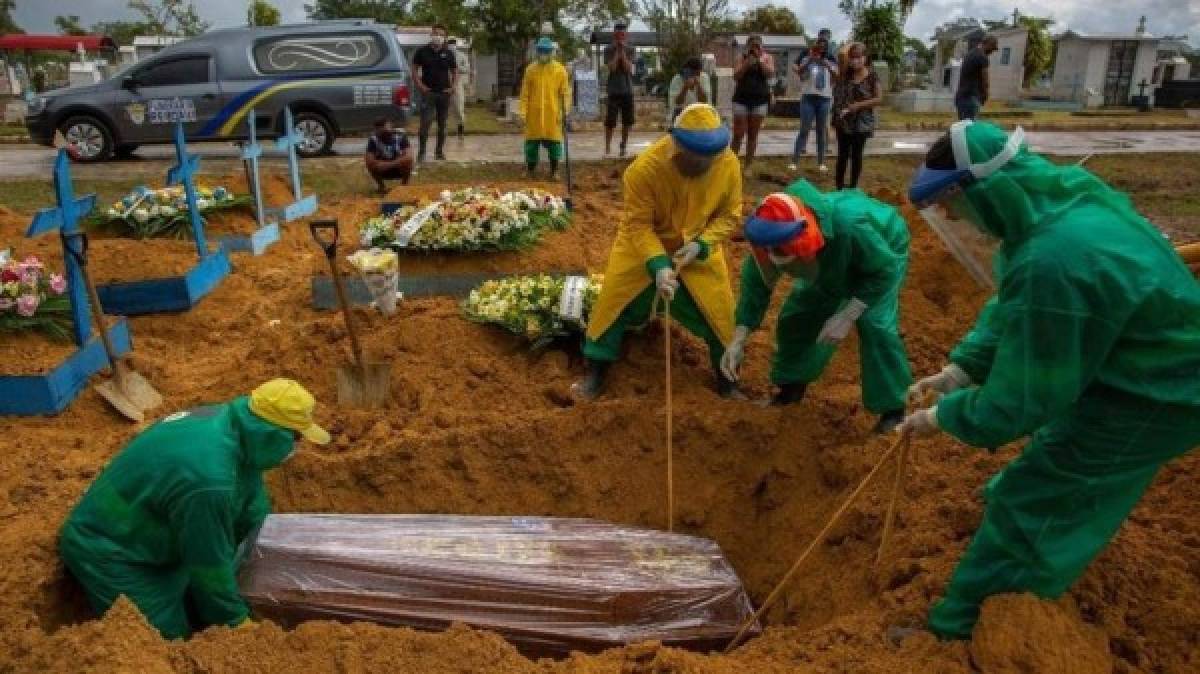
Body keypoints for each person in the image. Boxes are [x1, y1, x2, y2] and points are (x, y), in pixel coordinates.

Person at [897, 120, 1200, 640]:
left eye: (949, 198)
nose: (945, 213)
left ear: (987, 189)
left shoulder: (1055, 260)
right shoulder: (1056, 209)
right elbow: (1016, 307)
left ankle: (967, 631)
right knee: (1052, 459)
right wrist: (962, 369)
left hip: (1160, 392)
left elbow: (1020, 402)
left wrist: (945, 415)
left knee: (1045, 497)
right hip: (1130, 363)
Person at [58, 379, 332, 639]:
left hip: (155, 530)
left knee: (203, 585)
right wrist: (236, 623)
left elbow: (250, 493)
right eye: (295, 438)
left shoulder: (230, 425)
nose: (297, 447)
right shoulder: (209, 481)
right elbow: (207, 563)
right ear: (271, 435)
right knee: (167, 639)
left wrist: (267, 543)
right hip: (113, 549)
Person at [575, 103, 743, 400]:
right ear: (676, 144)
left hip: (697, 251)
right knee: (613, 302)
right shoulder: (644, 170)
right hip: (643, 249)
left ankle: (728, 384)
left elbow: (730, 215)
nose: (703, 163)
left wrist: (702, 244)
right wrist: (658, 264)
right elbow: (638, 225)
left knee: (721, 315)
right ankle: (596, 371)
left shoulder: (728, 164)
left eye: (709, 156)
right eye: (695, 157)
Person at [722, 181, 912, 432]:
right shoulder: (768, 239)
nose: (789, 272)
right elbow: (755, 289)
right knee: (798, 317)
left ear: (807, 246)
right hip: (828, 267)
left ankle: (893, 410)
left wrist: (848, 314)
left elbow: (883, 272)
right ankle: (791, 388)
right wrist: (739, 339)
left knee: (875, 324)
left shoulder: (850, 226)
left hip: (880, 252)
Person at [832, 42, 882, 190]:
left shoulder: (872, 76)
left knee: (857, 155)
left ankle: (853, 186)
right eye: (853, 57)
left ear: (865, 58)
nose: (855, 60)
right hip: (844, 120)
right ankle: (839, 187)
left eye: (859, 57)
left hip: (861, 122)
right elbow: (841, 54)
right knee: (842, 155)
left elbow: (879, 99)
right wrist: (854, 44)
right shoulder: (846, 72)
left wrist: (859, 105)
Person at [519, 37, 571, 179]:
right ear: (537, 52)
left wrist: (564, 111)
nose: (543, 54)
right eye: (541, 51)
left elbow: (565, 93)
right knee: (531, 144)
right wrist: (523, 112)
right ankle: (530, 170)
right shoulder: (530, 70)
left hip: (552, 114)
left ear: (552, 52)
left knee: (555, 144)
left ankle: (554, 171)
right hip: (534, 115)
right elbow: (525, 93)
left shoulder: (560, 70)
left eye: (546, 51)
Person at [790, 36, 838, 173]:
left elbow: (837, 76)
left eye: (823, 49)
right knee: (804, 129)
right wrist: (810, 59)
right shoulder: (806, 59)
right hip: (808, 97)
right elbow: (800, 73)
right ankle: (795, 161)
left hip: (824, 99)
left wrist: (827, 65)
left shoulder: (831, 62)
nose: (820, 51)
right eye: (818, 48)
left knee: (821, 130)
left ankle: (821, 162)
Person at [412, 24, 458, 162]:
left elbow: (455, 71)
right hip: (429, 93)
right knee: (425, 124)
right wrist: (420, 85)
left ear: (444, 38)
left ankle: (439, 153)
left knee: (442, 125)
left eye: (441, 35)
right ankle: (421, 153)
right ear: (431, 35)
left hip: (444, 94)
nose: (438, 37)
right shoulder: (422, 51)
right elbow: (414, 69)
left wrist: (453, 87)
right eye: (435, 33)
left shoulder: (448, 53)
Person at [731, 35, 775, 173]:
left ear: (761, 46)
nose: (754, 47)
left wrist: (760, 60)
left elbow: (770, 74)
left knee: (752, 135)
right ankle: (732, 164)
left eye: (757, 45)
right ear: (748, 46)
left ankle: (748, 166)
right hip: (741, 99)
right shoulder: (741, 57)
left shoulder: (768, 58)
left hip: (760, 100)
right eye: (752, 45)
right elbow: (736, 76)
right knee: (738, 134)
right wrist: (747, 63)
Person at [604, 22, 637, 157]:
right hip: (613, 90)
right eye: (618, 34)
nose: (620, 37)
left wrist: (623, 52)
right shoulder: (608, 49)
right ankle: (607, 148)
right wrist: (617, 52)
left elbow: (628, 68)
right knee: (610, 122)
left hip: (627, 90)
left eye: (622, 34)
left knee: (627, 121)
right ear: (614, 34)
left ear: (626, 35)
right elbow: (611, 67)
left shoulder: (631, 49)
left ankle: (623, 146)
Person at [364, 117, 412, 193]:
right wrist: (379, 164)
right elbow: (369, 160)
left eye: (385, 127)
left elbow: (408, 157)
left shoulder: (400, 136)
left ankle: (404, 185)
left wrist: (390, 164)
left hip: (397, 168)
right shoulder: (373, 140)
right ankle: (382, 186)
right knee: (370, 165)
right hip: (382, 169)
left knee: (408, 162)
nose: (383, 131)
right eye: (380, 129)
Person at [955, 36, 997, 121]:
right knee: (970, 127)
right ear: (988, 44)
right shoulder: (982, 57)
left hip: (961, 96)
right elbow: (985, 80)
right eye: (993, 48)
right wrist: (986, 94)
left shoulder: (970, 53)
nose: (992, 51)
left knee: (963, 126)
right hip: (971, 98)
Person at [667, 57, 711, 125]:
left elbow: (704, 101)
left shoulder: (704, 77)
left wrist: (698, 86)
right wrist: (685, 87)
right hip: (681, 113)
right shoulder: (677, 79)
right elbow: (677, 103)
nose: (696, 75)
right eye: (693, 73)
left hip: (700, 112)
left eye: (698, 73)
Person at [448, 38, 472, 138]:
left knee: (459, 107)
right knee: (444, 108)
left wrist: (456, 67)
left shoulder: (462, 56)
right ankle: (444, 130)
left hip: (458, 83)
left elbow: (467, 69)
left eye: (453, 44)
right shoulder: (443, 54)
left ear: (456, 45)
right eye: (450, 44)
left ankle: (460, 129)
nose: (452, 45)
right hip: (444, 82)